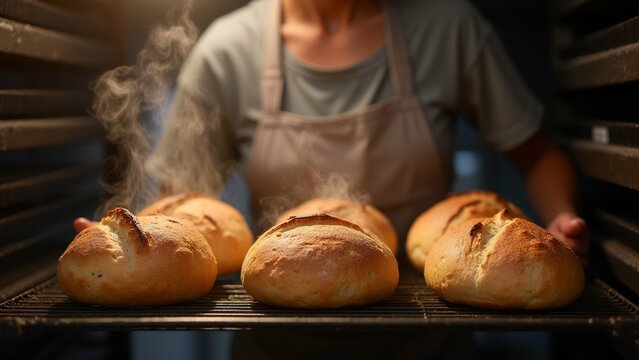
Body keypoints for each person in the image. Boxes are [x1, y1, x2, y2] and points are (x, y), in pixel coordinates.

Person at [75, 0, 588, 358]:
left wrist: (561, 220)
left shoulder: (448, 28)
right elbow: (179, 204)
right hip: (273, 346)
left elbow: (539, 155)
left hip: (428, 342)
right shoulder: (229, 48)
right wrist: (126, 245)